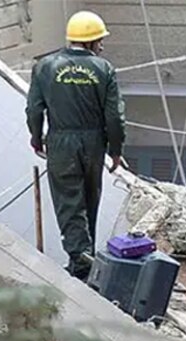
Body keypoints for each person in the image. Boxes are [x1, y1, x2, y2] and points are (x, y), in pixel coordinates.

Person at [26, 10, 125, 280]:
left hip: (60, 142)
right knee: (90, 201)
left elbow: (34, 109)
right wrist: (115, 150)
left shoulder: (45, 67)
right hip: (93, 144)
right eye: (99, 40)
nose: (102, 45)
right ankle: (84, 260)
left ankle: (80, 261)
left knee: (69, 204)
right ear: (91, 42)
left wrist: (37, 138)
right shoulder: (104, 70)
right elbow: (114, 116)